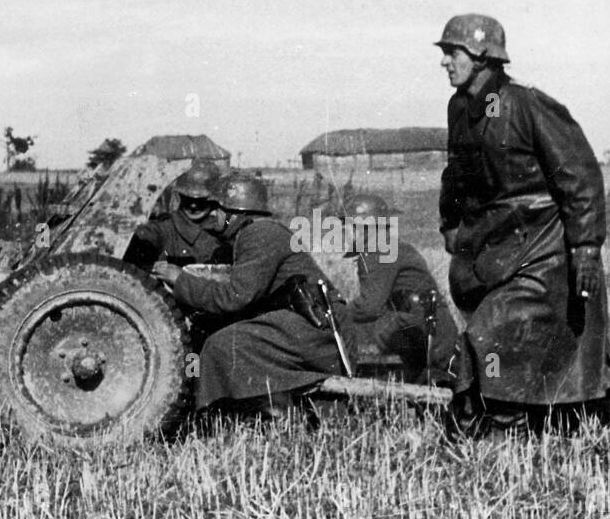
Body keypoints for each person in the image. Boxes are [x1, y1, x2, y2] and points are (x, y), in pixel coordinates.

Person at [435, 13, 610, 433]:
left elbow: (580, 176)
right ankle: (499, 410)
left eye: (452, 53)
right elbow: (455, 173)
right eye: (444, 53)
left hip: (544, 249)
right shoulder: (460, 108)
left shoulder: (530, 105)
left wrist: (586, 247)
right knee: (489, 332)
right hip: (495, 248)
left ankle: (507, 422)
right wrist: (450, 221)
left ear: (482, 58)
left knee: (494, 328)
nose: (445, 62)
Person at [151, 172, 355, 418]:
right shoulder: (253, 234)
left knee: (225, 345)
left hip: (316, 325)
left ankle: (268, 416)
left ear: (233, 213)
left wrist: (180, 280)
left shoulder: (260, 234)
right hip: (309, 322)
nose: (212, 216)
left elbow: (234, 297)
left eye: (216, 209)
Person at [336, 193, 458, 384]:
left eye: (347, 228)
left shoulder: (377, 250)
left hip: (417, 330)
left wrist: (337, 313)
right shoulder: (392, 247)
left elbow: (369, 307)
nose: (343, 234)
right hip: (430, 329)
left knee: (342, 336)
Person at [125, 161, 231, 268]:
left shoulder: (225, 230)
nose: (193, 206)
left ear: (213, 199)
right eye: (188, 198)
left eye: (200, 200)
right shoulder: (165, 228)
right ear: (180, 196)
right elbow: (146, 237)